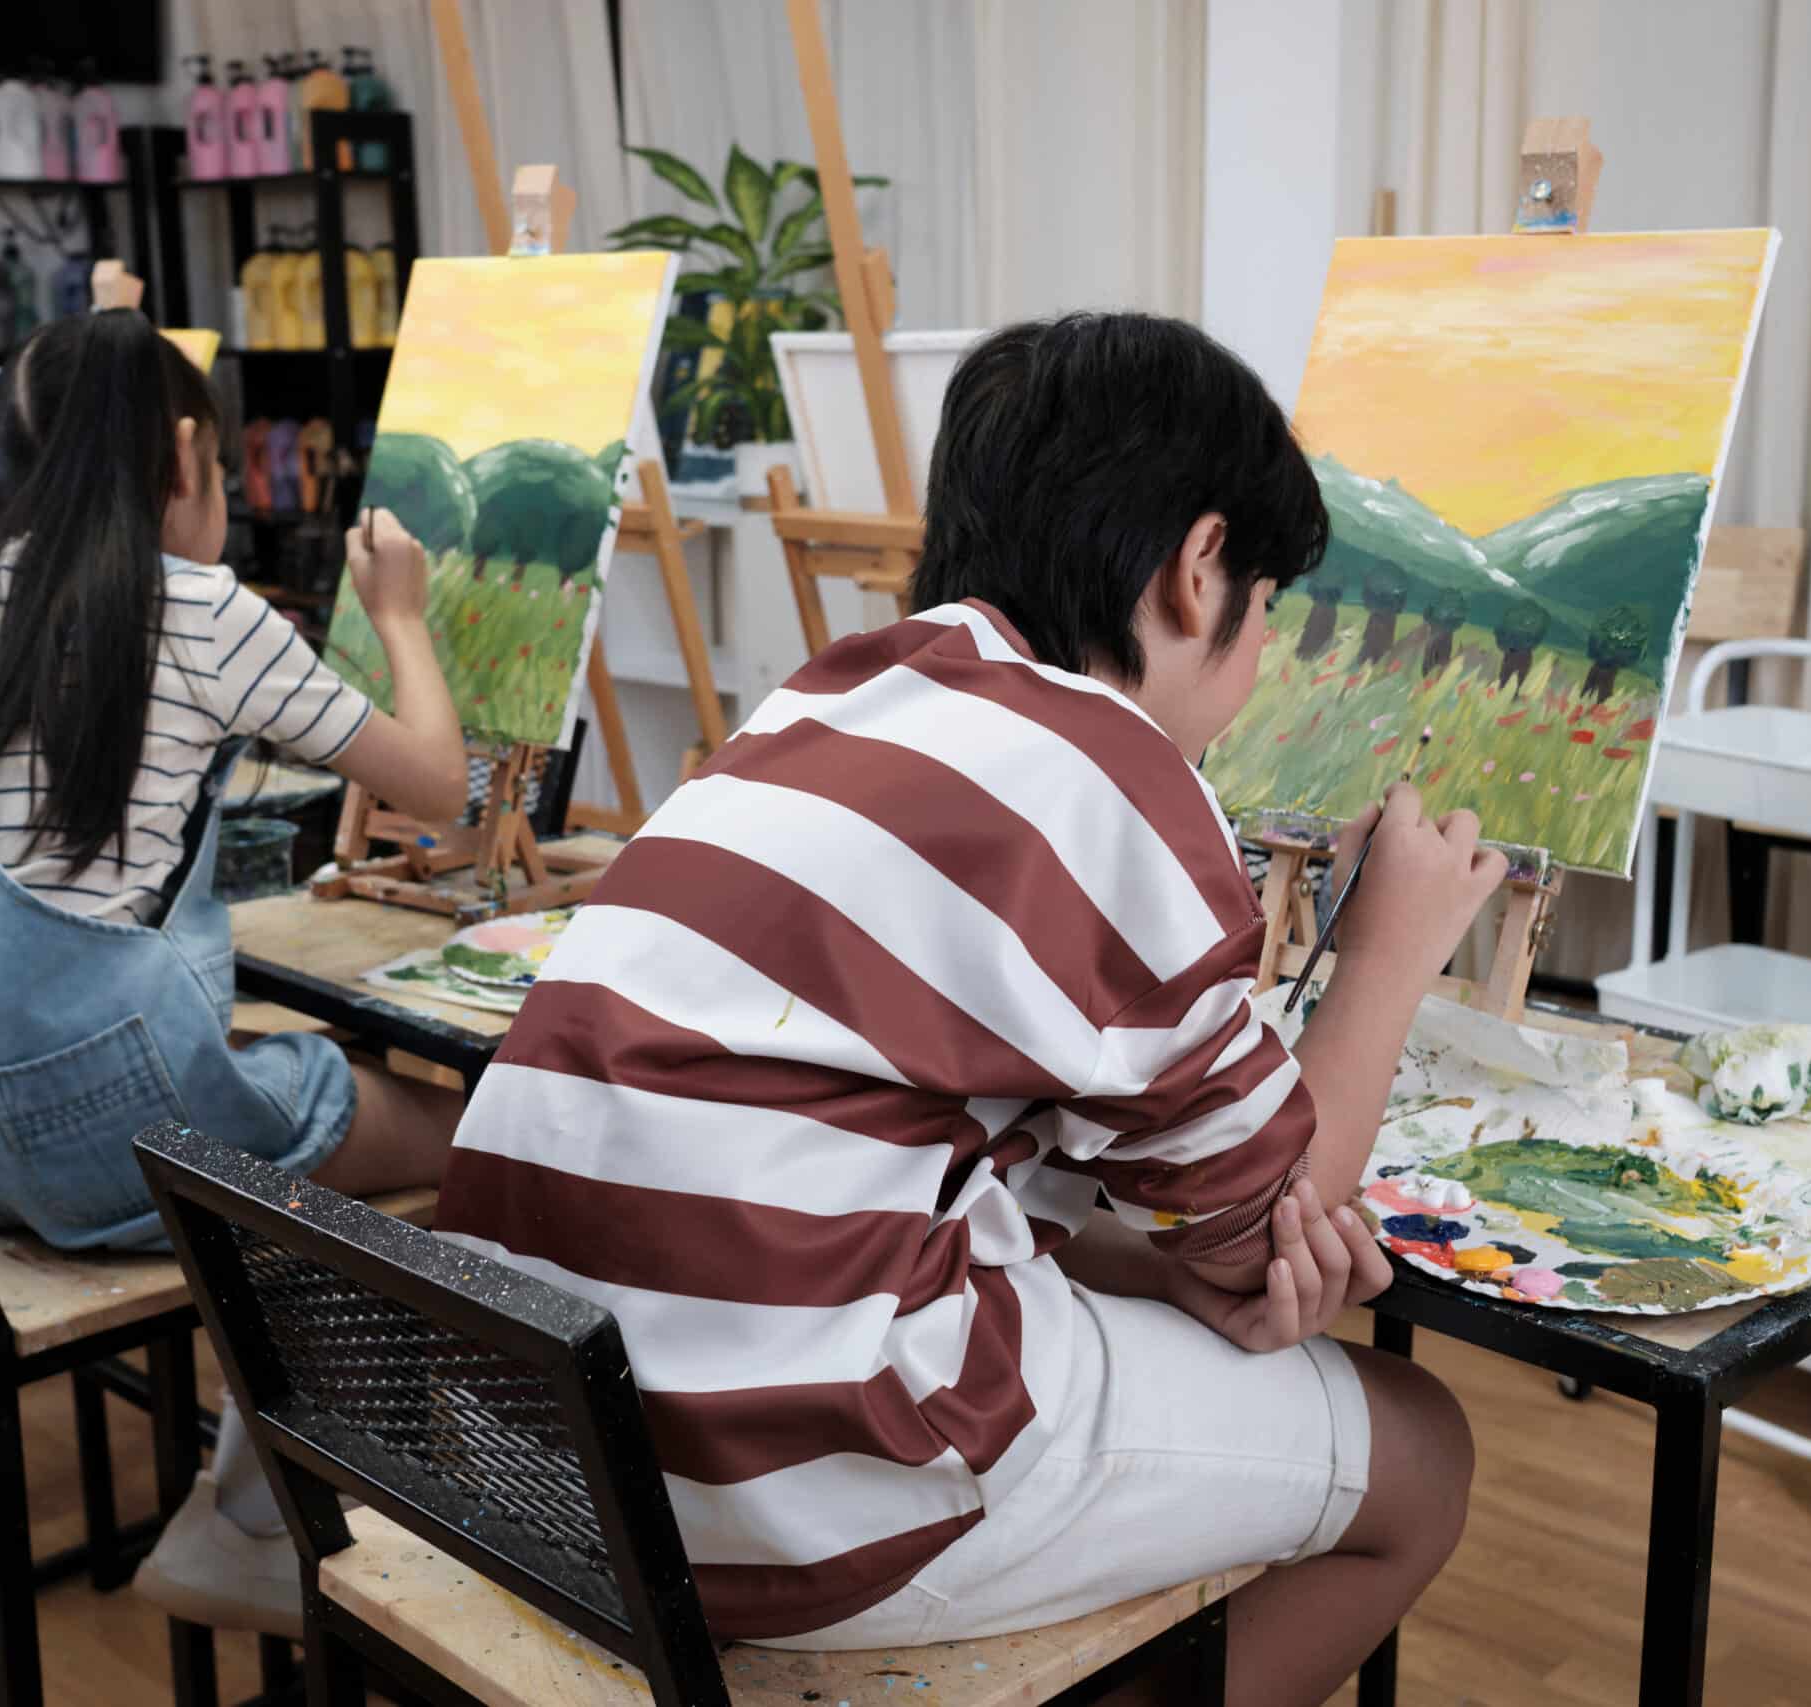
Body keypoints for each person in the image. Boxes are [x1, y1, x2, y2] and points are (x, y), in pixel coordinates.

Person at [430, 312, 1502, 1705]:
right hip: (778, 1487)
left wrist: (1180, 1249)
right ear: (1197, 571)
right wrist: (1391, 951)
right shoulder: (1107, 770)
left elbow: (931, 1161)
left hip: (546, 1436)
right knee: (1423, 1451)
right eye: (1269, 609)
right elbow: (1276, 1242)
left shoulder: (823, 701)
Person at [0, 305, 470, 1630]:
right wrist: (396, 611)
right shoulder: (203, 608)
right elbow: (444, 787)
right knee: (473, 1135)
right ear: (185, 450)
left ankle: (248, 1484)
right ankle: (259, 1508)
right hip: (82, 1131)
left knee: (292, 1108)